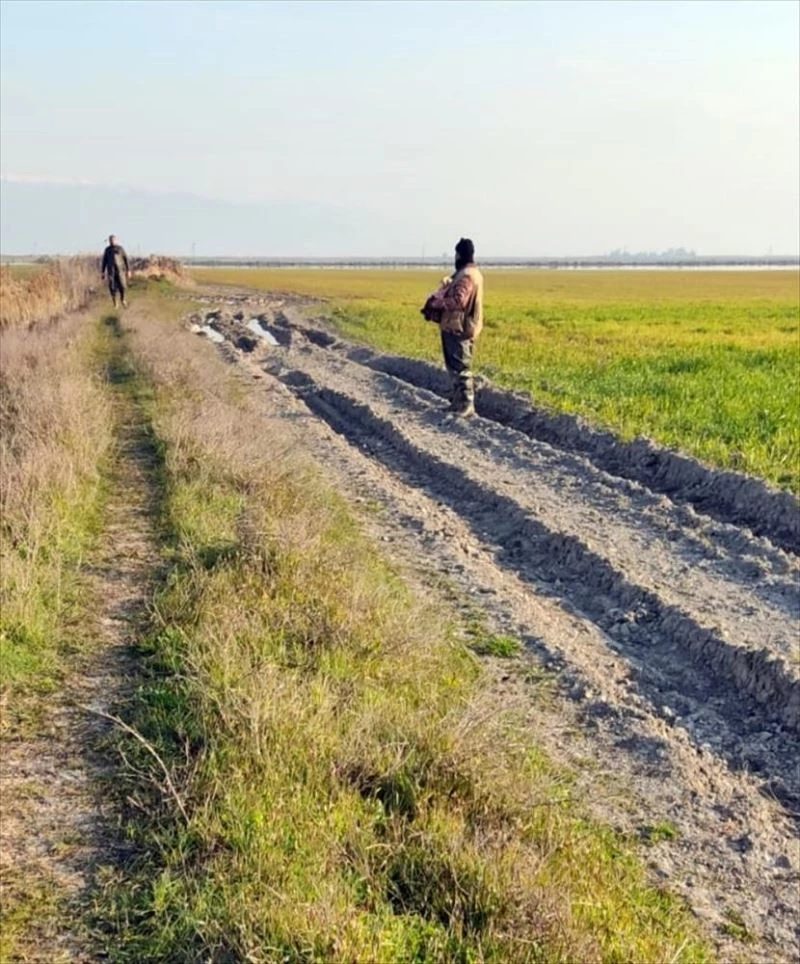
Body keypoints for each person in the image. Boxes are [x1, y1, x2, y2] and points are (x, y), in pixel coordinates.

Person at [421, 237, 484, 416]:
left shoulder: (466, 276)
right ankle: (458, 403)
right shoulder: (472, 273)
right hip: (459, 325)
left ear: (458, 255)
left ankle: (466, 405)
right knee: (456, 366)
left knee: (460, 367)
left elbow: (458, 301)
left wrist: (436, 302)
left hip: (459, 327)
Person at [101, 234, 130, 308]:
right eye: (110, 240)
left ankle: (123, 299)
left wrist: (128, 270)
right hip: (111, 271)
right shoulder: (107, 250)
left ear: (116, 240)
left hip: (120, 270)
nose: (112, 241)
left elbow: (126, 259)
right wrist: (103, 272)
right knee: (112, 286)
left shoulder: (120, 249)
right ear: (109, 241)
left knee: (122, 286)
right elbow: (104, 261)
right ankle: (115, 302)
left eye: (113, 240)